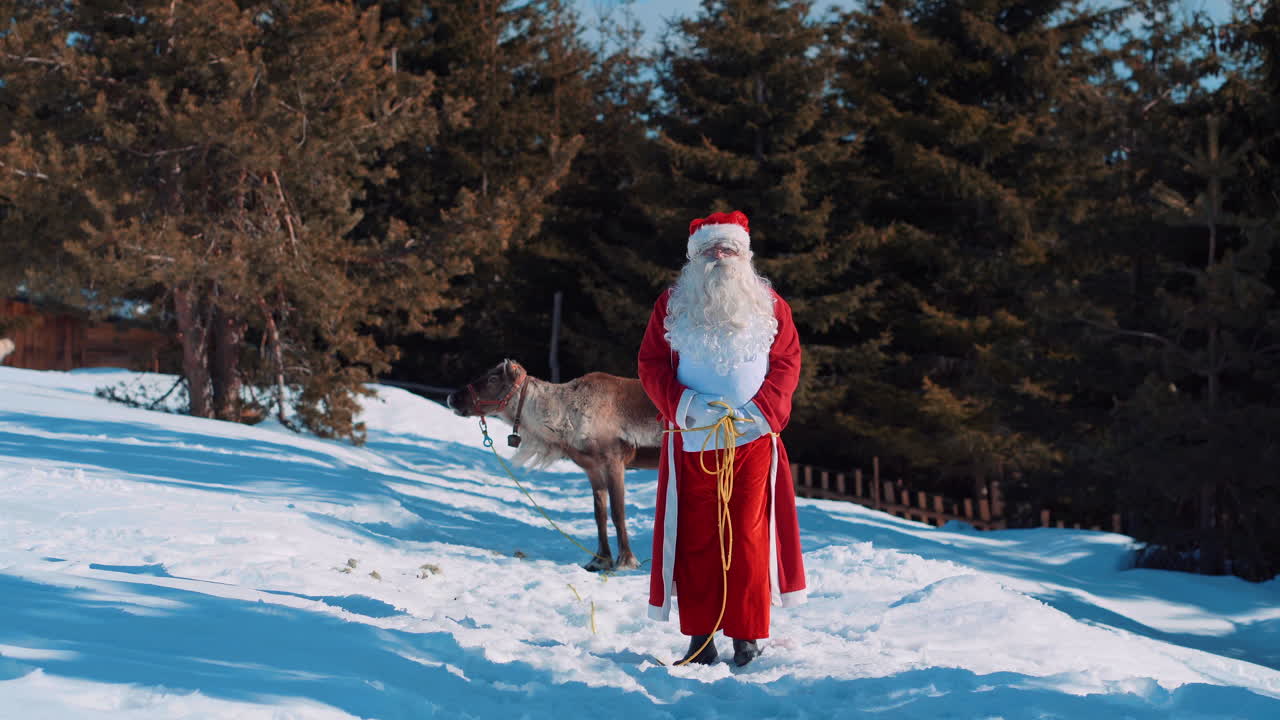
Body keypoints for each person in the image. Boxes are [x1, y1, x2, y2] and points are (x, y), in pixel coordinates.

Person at [637, 210, 807, 668]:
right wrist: (686, 405)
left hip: (751, 442)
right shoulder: (671, 305)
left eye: (728, 249)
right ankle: (700, 636)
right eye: (711, 250)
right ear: (694, 258)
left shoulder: (771, 306)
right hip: (691, 440)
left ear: (744, 255)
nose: (720, 257)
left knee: (748, 538)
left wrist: (760, 413)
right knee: (697, 540)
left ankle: (747, 636)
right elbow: (651, 365)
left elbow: (788, 362)